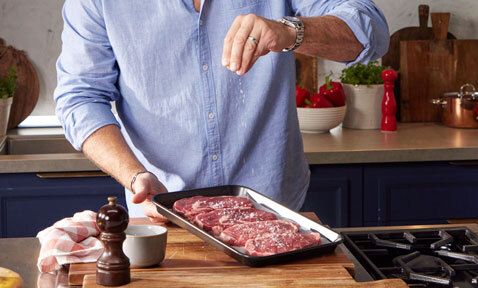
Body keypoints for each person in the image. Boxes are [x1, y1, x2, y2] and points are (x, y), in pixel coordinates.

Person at [54, 0, 389, 222]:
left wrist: (291, 31)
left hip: (274, 216)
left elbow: (370, 31)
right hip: (161, 215)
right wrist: (134, 175)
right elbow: (80, 98)